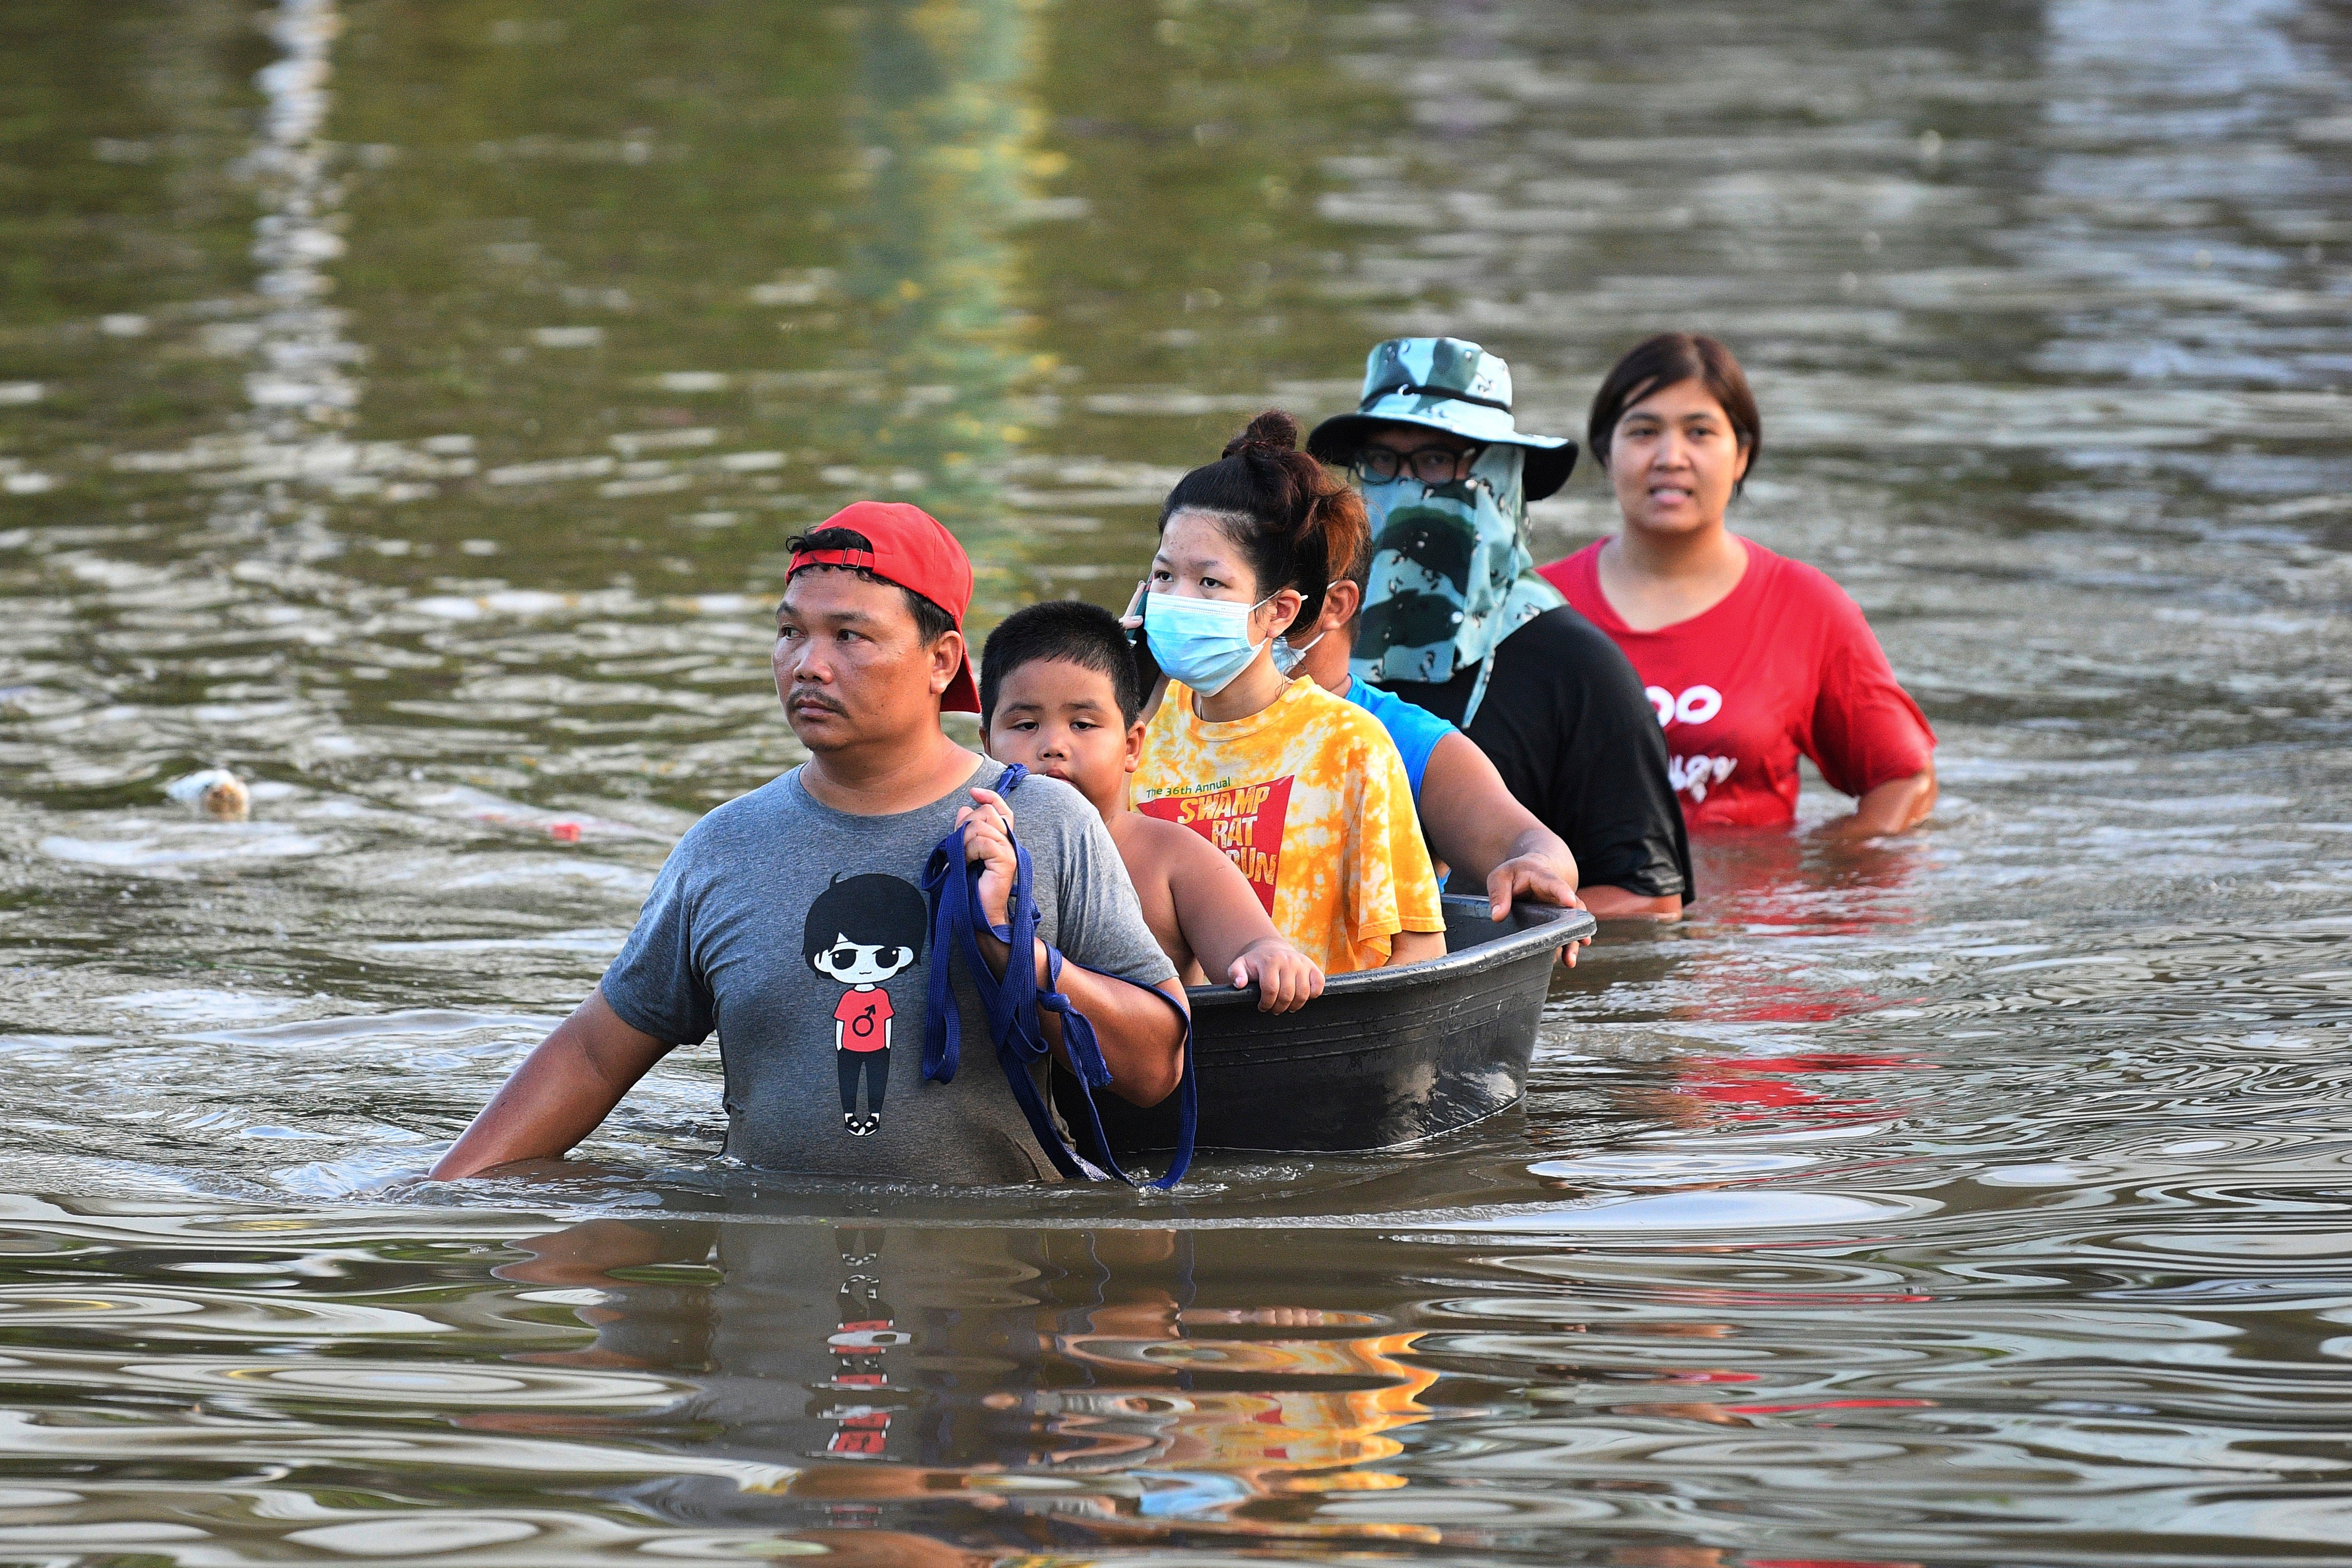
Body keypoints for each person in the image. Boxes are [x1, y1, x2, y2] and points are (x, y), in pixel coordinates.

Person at [430, 502, 1188, 1185]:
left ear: (942, 660)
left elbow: (1155, 1067)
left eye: (849, 635)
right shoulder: (724, 846)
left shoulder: (1044, 821)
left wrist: (1010, 949)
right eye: (790, 630)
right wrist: (437, 1194)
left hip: (991, 1303)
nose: (807, 664)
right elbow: (595, 1053)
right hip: (774, 1292)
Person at [1305, 336, 1692, 920]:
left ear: (1503, 477)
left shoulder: (1577, 668)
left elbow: (1651, 900)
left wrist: (1486, 924)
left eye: (1438, 459)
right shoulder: (1315, 642)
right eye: (1383, 462)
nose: (1409, 487)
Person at [1538, 333, 1936, 835]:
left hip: (1748, 913)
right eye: (1643, 432)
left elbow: (1904, 780)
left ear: (1742, 455)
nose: (1670, 457)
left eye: (1699, 432)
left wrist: (1819, 874)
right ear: (1605, 453)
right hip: (1586, 912)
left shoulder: (1805, 606)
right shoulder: (1537, 606)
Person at [1128, 411, 1447, 977]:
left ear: (1278, 610)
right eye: (1163, 576)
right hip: (1169, 1045)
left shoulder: (1349, 746)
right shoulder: (1133, 735)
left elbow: (1418, 952)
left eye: (1209, 582)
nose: (1178, 599)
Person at [979, 598, 1326, 1012]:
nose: (1053, 746)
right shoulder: (970, 847)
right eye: (1025, 726)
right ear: (985, 747)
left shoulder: (1172, 855)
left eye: (1083, 725)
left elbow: (1250, 943)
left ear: (1131, 746)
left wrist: (1268, 955)